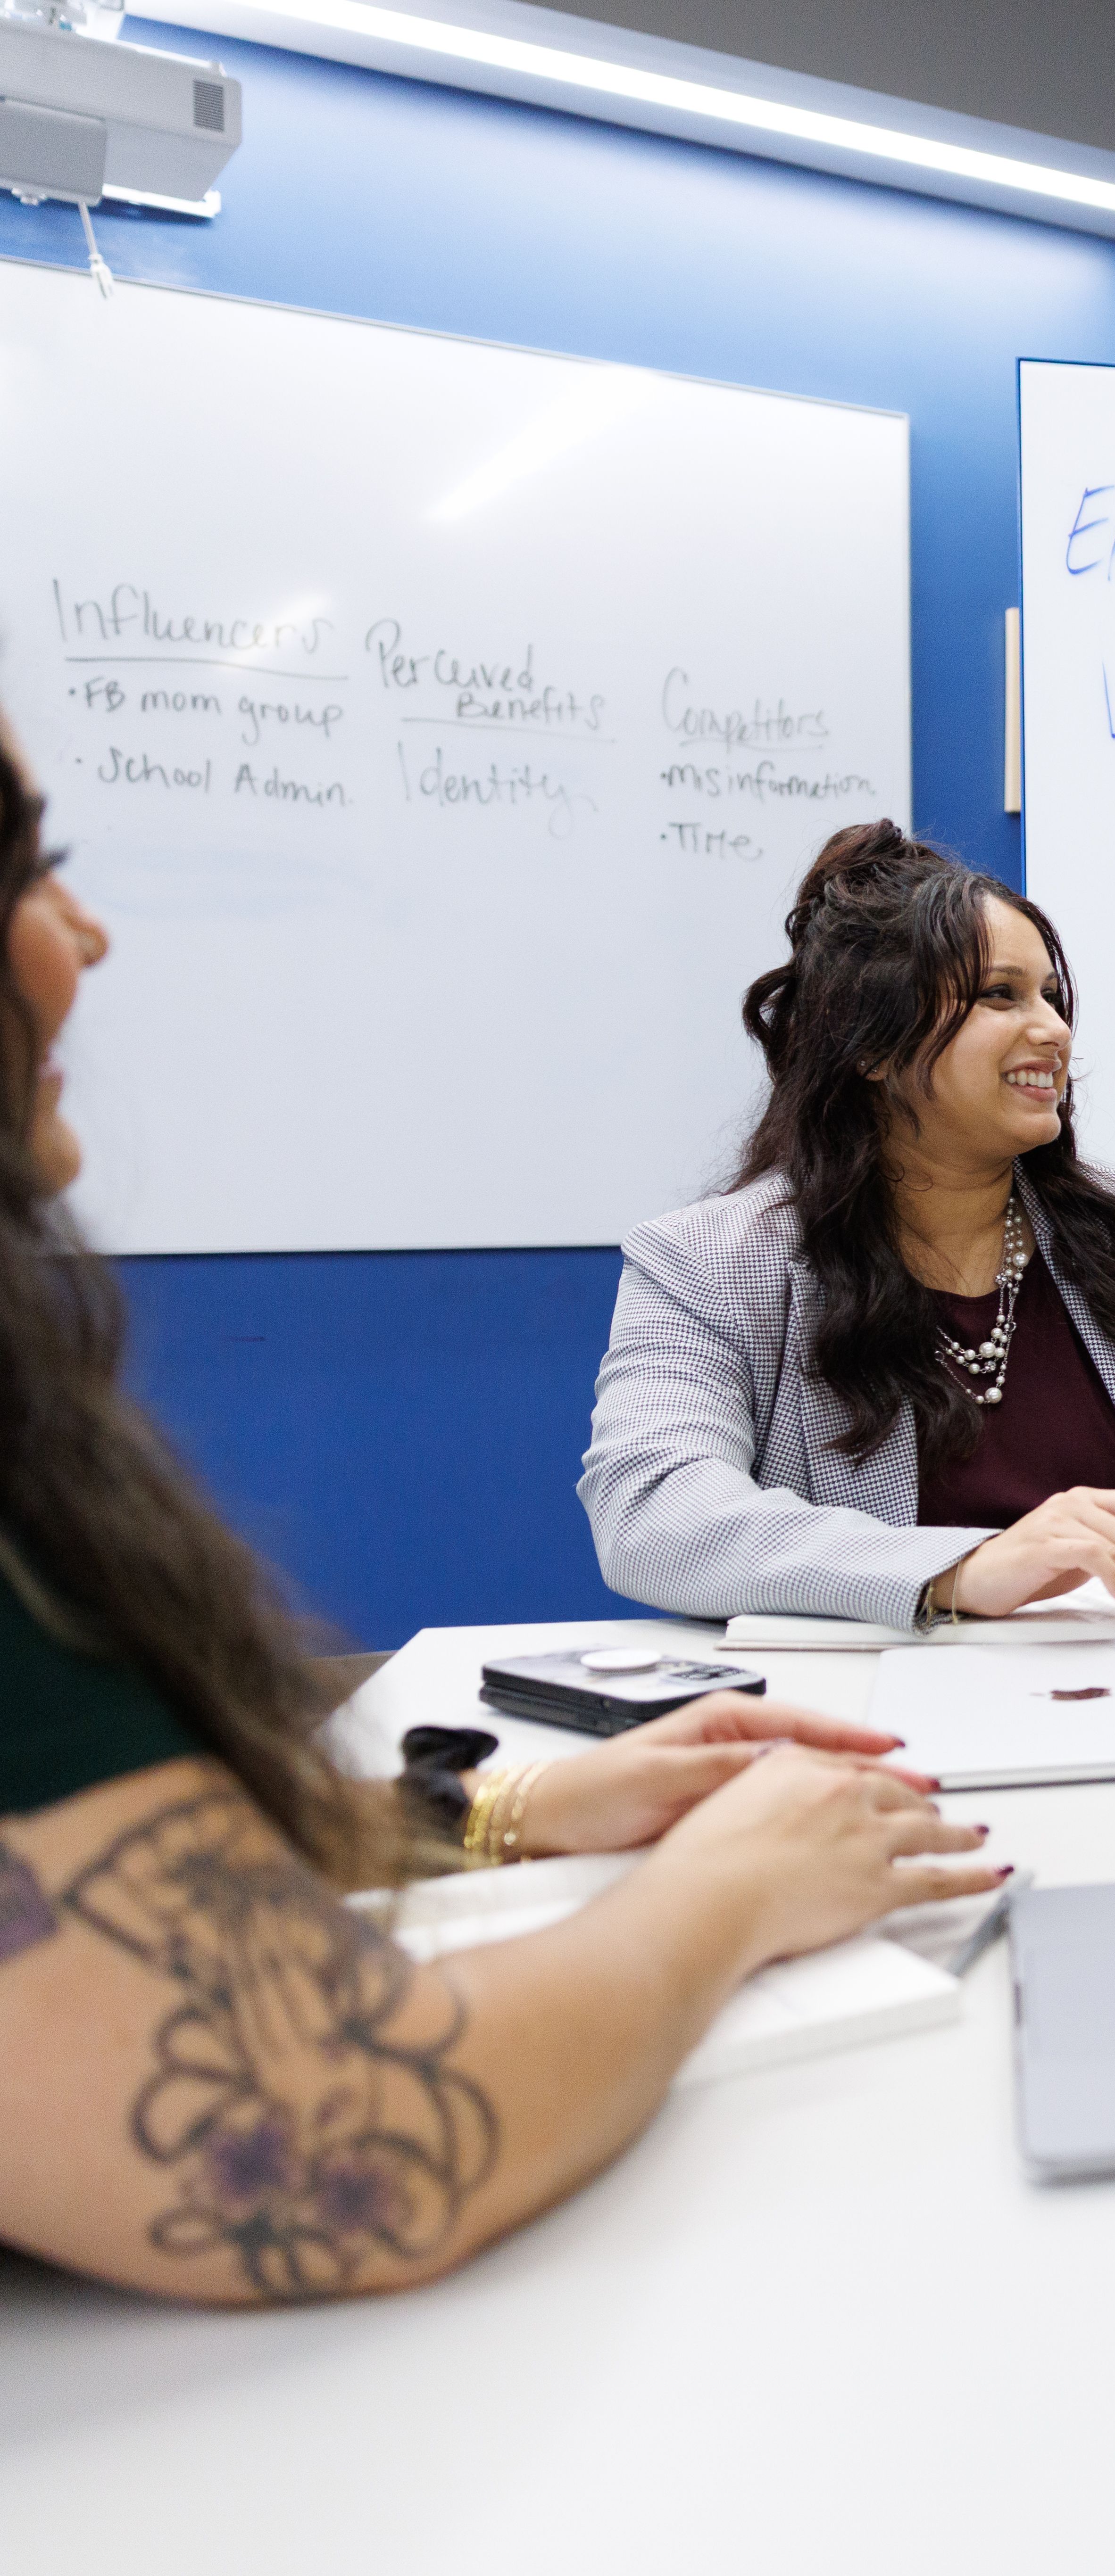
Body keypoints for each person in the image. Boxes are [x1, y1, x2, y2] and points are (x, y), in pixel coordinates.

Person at [0, 719, 997, 2303]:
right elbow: (342, 2139)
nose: (85, 932)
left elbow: (115, 1850)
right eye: (29, 869)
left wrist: (517, 1810)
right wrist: (731, 1888)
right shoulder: (717, 1253)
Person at [582, 825, 1115, 1628]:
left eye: (1052, 996)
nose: (1053, 1030)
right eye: (1001, 995)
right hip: (875, 1730)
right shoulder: (709, 1263)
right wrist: (957, 1571)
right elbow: (651, 1508)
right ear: (872, 1045)